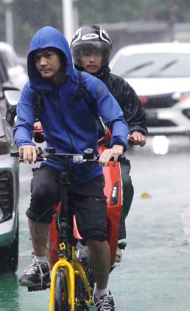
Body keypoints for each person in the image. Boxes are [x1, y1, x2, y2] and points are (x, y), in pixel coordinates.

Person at [14, 26, 129, 311]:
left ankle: (103, 294)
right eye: (37, 58)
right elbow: (22, 122)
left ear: (63, 57)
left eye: (49, 55)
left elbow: (115, 117)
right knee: (39, 195)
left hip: (88, 167)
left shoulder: (87, 85)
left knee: (96, 235)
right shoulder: (32, 89)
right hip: (54, 162)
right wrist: (25, 143)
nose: (43, 63)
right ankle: (40, 263)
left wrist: (117, 145)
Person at [70, 25, 147, 262]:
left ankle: (117, 237)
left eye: (97, 53)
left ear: (106, 55)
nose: (91, 59)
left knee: (124, 184)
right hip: (72, 154)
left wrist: (136, 132)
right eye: (86, 53)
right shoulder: (65, 85)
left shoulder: (119, 86)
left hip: (110, 154)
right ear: (76, 55)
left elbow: (136, 118)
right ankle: (52, 242)